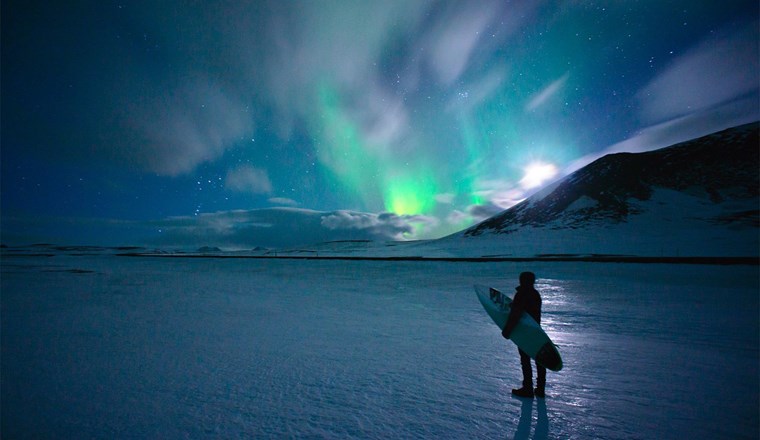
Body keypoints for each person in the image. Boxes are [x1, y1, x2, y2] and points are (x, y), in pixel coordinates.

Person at [502, 271, 546, 398]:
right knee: (539, 360)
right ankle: (540, 388)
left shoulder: (521, 294)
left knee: (525, 360)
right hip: (536, 331)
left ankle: (527, 388)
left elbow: (516, 314)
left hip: (524, 332)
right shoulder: (535, 294)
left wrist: (507, 330)